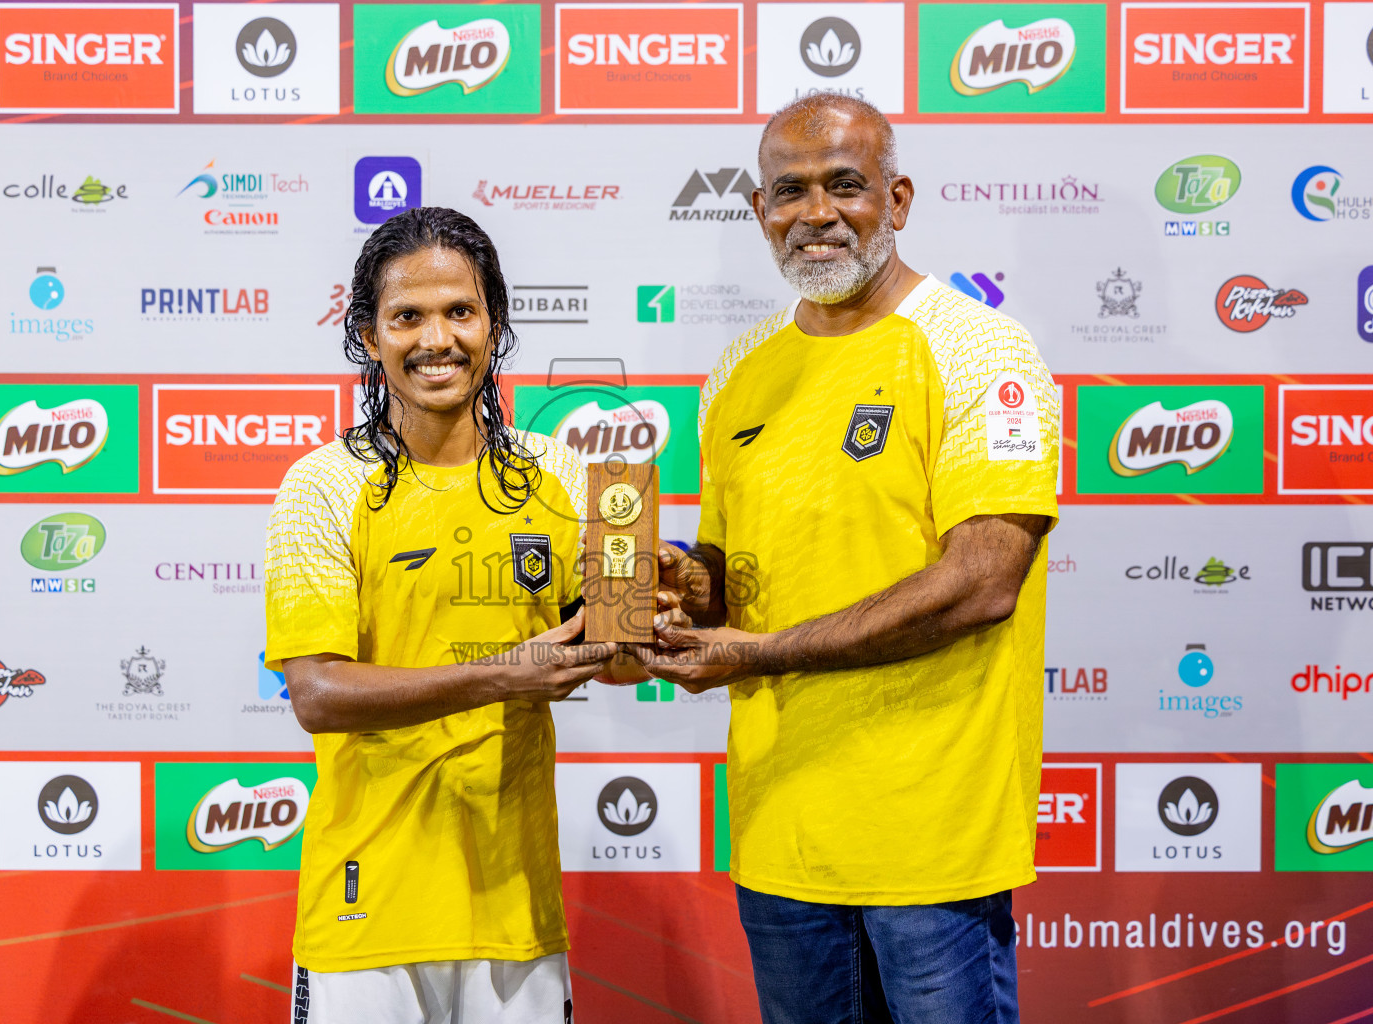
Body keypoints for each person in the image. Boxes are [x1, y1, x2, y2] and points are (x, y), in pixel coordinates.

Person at [642, 95, 1060, 1023]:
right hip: (784, 825)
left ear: (898, 200)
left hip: (930, 833)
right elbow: (735, 573)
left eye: (846, 186)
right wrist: (681, 585)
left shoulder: (978, 349)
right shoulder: (737, 370)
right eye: (788, 191)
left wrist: (760, 654)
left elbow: (983, 584)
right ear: (759, 212)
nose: (816, 213)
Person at [264, 206, 640, 1024]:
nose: (437, 338)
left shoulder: (564, 474)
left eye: (460, 312)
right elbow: (319, 696)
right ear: (370, 336)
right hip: (368, 903)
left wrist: (657, 597)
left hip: (514, 902)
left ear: (494, 325)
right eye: (408, 316)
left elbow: (616, 650)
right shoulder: (323, 484)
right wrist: (505, 675)